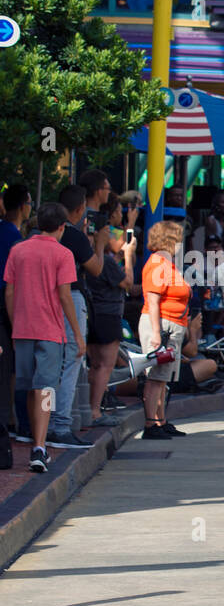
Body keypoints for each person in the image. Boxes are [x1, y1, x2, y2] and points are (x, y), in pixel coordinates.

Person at [4, 202, 77, 472]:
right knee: (46, 389)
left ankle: (28, 434)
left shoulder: (18, 250)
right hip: (50, 331)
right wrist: (78, 336)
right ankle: (40, 446)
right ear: (62, 226)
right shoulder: (63, 253)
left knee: (26, 385)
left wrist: (15, 325)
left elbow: (9, 293)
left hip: (22, 329)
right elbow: (65, 296)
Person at [49, 185, 107, 449]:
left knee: (45, 372)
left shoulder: (24, 245)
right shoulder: (69, 242)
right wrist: (101, 246)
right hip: (66, 302)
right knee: (71, 362)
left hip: (37, 309)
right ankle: (58, 425)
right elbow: (71, 287)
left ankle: (38, 426)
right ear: (80, 209)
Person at [139, 221, 192, 439]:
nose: (180, 245)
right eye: (178, 240)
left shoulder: (167, 263)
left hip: (172, 325)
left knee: (164, 378)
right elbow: (153, 301)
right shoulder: (157, 263)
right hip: (161, 324)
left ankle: (160, 420)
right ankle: (151, 423)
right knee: (156, 377)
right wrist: (155, 333)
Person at [85, 213, 137, 428]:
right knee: (104, 365)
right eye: (116, 236)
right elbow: (128, 283)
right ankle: (95, 411)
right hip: (107, 315)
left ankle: (92, 408)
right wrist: (128, 256)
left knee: (97, 365)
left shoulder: (94, 258)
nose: (121, 240)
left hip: (95, 313)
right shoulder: (105, 261)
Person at [0, 183, 33, 469]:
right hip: (6, 313)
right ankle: (13, 419)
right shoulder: (12, 237)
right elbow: (10, 286)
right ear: (25, 205)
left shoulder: (10, 234)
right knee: (12, 369)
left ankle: (11, 418)